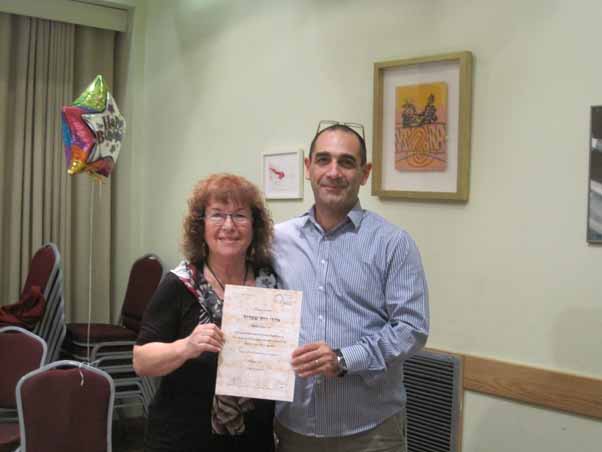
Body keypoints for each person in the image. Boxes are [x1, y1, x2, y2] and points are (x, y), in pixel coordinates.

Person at [272, 121, 429, 452]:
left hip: (369, 432)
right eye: (323, 160)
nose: (333, 172)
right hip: (294, 427)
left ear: (364, 173)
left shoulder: (393, 243)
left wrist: (344, 359)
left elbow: (411, 328)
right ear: (308, 167)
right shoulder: (277, 241)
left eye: (346, 162)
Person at [134, 174, 276, 452]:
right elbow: (141, 361)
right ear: (201, 226)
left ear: (254, 225)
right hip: (182, 438)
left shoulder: (270, 282)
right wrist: (186, 346)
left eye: (240, 215)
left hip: (254, 438)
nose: (229, 226)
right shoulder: (179, 284)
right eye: (217, 215)